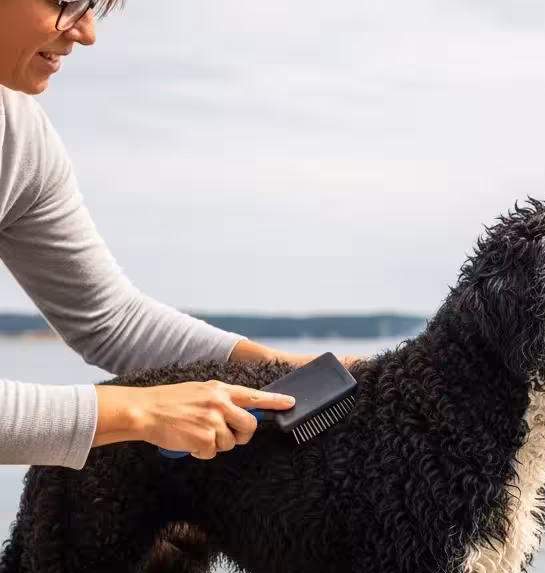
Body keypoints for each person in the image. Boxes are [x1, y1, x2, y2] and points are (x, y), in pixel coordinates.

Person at [1, 0, 335, 467]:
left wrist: (286, 370)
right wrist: (142, 410)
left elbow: (112, 322)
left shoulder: (18, 136)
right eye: (66, 1)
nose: (86, 32)